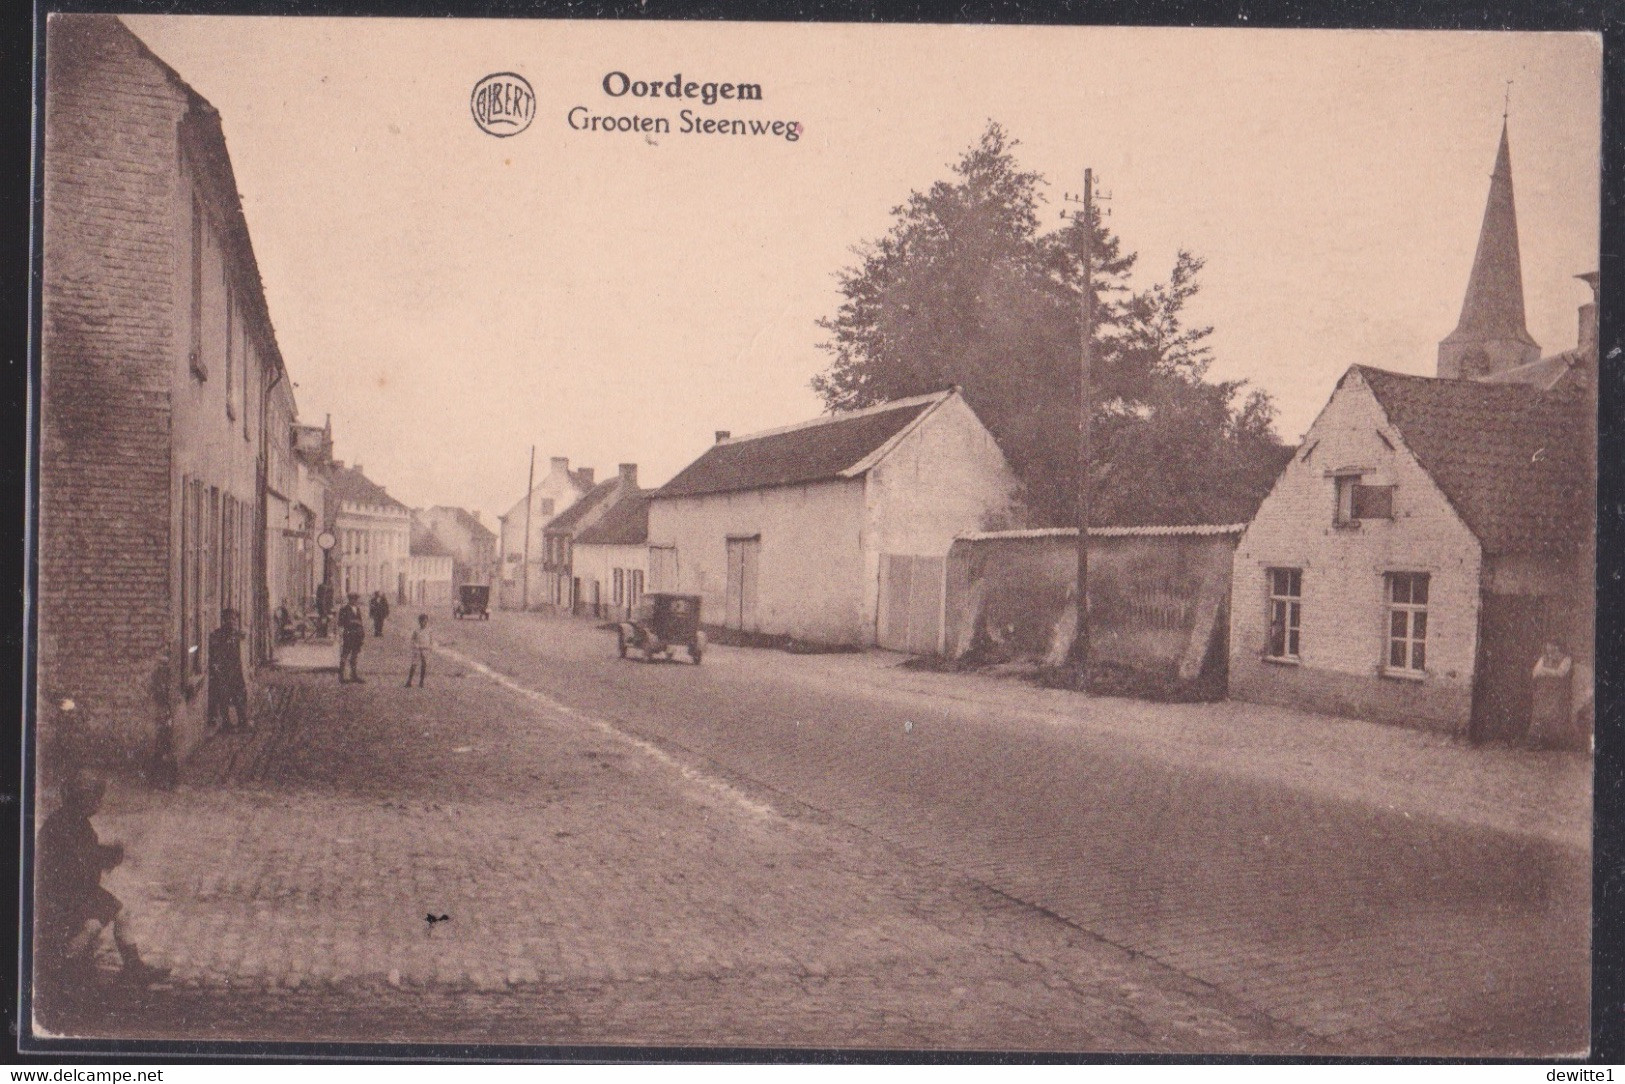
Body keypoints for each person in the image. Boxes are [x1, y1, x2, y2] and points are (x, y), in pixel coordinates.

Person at [37, 770, 169, 987]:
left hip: (78, 890)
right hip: (61, 894)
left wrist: (105, 855)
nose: (99, 803)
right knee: (92, 926)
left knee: (120, 914)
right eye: (96, 798)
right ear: (84, 799)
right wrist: (109, 856)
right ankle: (59, 964)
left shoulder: (74, 821)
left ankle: (133, 967)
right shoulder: (63, 826)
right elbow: (80, 861)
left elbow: (85, 855)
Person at [206, 609, 250, 732]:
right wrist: (217, 669)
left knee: (240, 696)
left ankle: (243, 721)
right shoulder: (217, 636)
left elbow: (240, 644)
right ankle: (226, 723)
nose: (232, 622)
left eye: (234, 619)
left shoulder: (236, 635)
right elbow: (214, 654)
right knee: (223, 698)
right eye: (228, 619)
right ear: (223, 621)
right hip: (223, 672)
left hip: (236, 671)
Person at [1528, 640, 1574, 750]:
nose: (1548, 647)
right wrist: (1544, 672)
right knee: (1539, 714)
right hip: (1544, 691)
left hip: (1558, 692)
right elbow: (1535, 672)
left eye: (1551, 645)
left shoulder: (1566, 659)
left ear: (1557, 647)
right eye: (1547, 645)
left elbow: (1560, 673)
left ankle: (1555, 743)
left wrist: (1544, 671)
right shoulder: (1544, 658)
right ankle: (1537, 742)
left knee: (1556, 715)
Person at [338, 592, 366, 684]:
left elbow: (360, 622)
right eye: (353, 599)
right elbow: (341, 622)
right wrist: (353, 622)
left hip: (357, 635)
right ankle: (341, 676)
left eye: (356, 599)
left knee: (354, 655)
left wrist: (362, 633)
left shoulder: (357, 609)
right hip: (348, 634)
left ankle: (353, 675)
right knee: (345, 654)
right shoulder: (344, 609)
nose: (355, 601)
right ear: (350, 600)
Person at [406, 614, 433, 687]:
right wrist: (415, 645)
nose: (424, 623)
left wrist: (430, 647)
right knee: (414, 664)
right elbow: (412, 640)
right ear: (419, 622)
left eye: (426, 622)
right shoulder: (416, 631)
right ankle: (409, 681)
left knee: (424, 665)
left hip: (425, 649)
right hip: (417, 650)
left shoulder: (429, 631)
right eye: (422, 621)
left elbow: (431, 641)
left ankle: (421, 681)